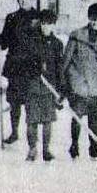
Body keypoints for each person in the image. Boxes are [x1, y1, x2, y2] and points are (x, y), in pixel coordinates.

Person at [62, 1, 97, 159]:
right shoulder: (77, 35)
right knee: (77, 117)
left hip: (96, 85)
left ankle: (94, 146)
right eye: (93, 18)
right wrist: (64, 81)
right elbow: (66, 60)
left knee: (94, 119)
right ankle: (74, 145)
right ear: (88, 18)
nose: (95, 22)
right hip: (78, 83)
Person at [0, 0, 40, 145]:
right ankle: (14, 132)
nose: (22, 1)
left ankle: (31, 137)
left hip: (30, 66)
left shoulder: (38, 18)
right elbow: (5, 41)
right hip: (14, 66)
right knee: (14, 102)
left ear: (32, 0)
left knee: (30, 102)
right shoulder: (11, 17)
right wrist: (0, 40)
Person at [19, 8, 65, 162]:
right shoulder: (31, 41)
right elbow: (22, 63)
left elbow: (60, 68)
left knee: (47, 121)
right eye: (44, 24)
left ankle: (46, 149)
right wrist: (31, 67)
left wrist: (61, 90)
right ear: (40, 24)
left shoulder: (57, 44)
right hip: (32, 86)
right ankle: (32, 149)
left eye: (50, 24)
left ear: (54, 26)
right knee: (31, 120)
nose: (46, 27)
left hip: (49, 88)